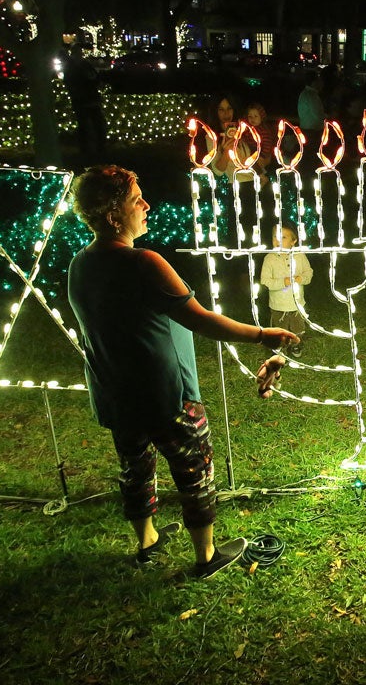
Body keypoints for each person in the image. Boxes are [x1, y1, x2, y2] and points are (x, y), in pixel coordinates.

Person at [67, 165, 298, 578]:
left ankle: (147, 540)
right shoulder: (144, 263)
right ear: (113, 215)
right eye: (136, 199)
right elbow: (202, 319)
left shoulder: (79, 265)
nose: (147, 205)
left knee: (135, 468)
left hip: (116, 393)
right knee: (194, 470)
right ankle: (206, 556)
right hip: (166, 393)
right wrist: (262, 334)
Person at [260, 224, 313, 358]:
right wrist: (283, 282)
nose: (278, 241)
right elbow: (265, 281)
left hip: (297, 304)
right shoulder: (269, 258)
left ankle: (295, 345)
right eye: (275, 237)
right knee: (279, 330)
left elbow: (309, 272)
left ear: (293, 241)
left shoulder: (299, 256)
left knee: (298, 327)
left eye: (283, 237)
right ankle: (280, 349)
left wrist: (301, 278)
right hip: (278, 304)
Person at [61, 45, 106, 163]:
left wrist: (96, 81)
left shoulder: (85, 65)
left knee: (98, 123)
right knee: (84, 125)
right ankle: (86, 149)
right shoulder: (71, 67)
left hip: (91, 99)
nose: (80, 55)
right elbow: (70, 83)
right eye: (78, 53)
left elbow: (95, 78)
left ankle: (99, 147)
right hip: (81, 100)